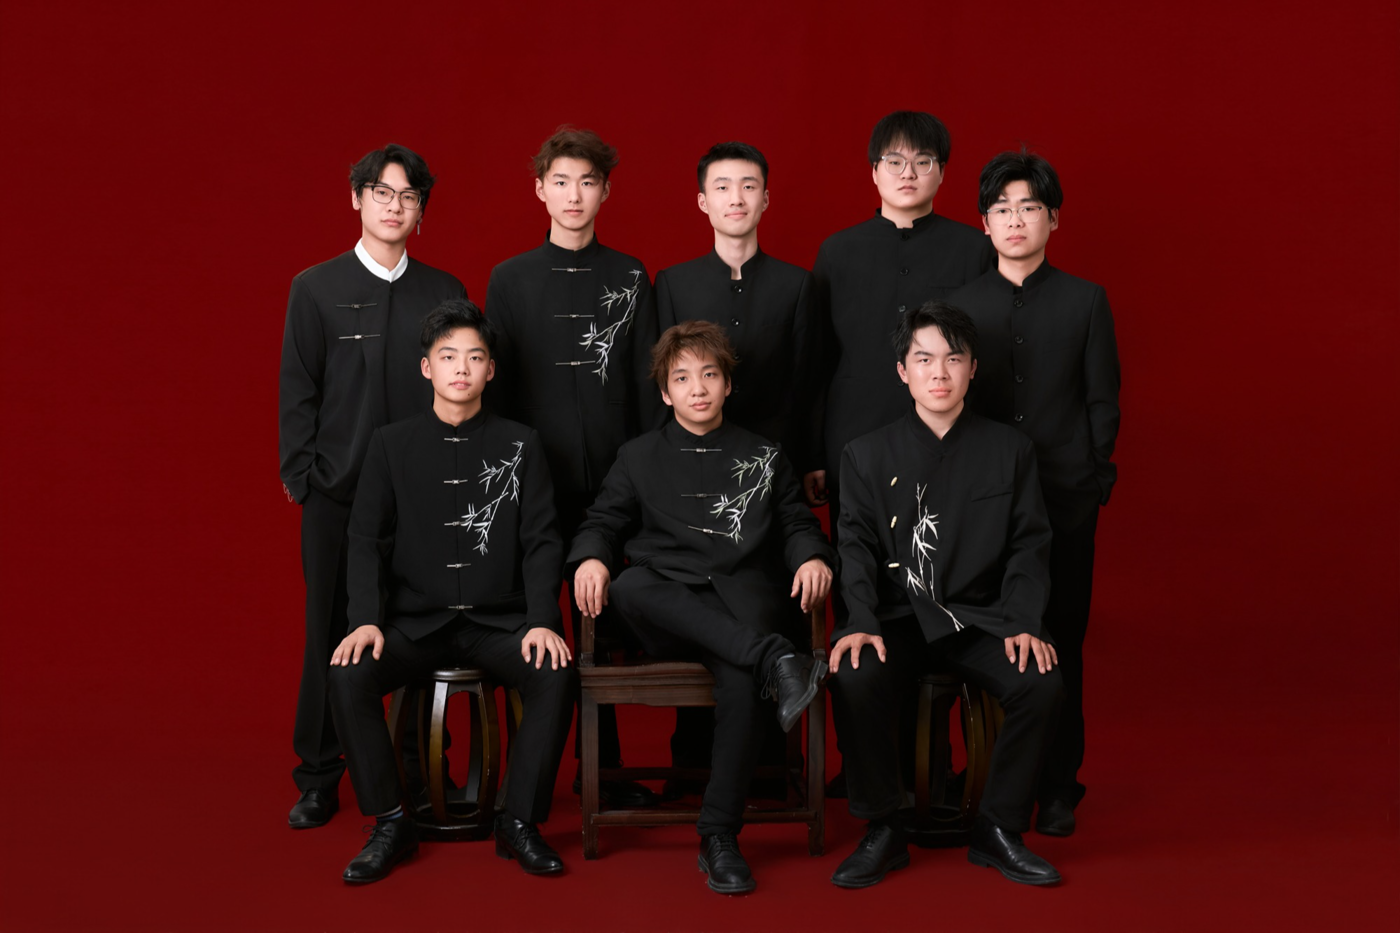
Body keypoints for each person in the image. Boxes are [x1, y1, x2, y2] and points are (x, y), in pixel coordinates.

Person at [568, 320, 834, 894]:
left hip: (738, 606)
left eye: (709, 375)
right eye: (683, 378)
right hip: (666, 608)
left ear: (728, 385)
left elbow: (796, 524)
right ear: (666, 393)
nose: (698, 388)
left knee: (739, 679)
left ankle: (719, 836)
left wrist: (813, 557)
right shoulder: (638, 456)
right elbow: (602, 523)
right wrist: (590, 558)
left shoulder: (764, 454)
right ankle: (774, 657)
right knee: (628, 586)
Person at [327, 300, 575, 884]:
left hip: (498, 623)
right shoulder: (390, 445)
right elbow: (365, 540)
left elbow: (543, 541)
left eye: (474, 357)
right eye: (447, 357)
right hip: (417, 623)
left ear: (491, 370)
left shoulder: (522, 444)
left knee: (556, 671)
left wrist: (543, 618)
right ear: (426, 368)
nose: (461, 368)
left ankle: (520, 822)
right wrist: (365, 619)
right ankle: (391, 822)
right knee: (348, 674)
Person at [827, 301, 1064, 888]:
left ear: (973, 369)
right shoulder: (865, 454)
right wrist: (859, 620)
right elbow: (854, 548)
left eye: (953, 359)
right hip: (899, 616)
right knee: (853, 673)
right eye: (924, 359)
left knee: (1041, 681)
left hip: (980, 618)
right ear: (902, 370)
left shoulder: (1010, 450)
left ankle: (999, 828)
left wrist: (1024, 622)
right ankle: (883, 826)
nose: (939, 373)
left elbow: (1029, 547)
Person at [278, 144, 467, 829]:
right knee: (329, 632)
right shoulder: (315, 287)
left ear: (421, 211)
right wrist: (302, 477)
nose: (394, 206)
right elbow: (299, 388)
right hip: (336, 495)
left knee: (418, 630)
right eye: (382, 193)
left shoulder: (443, 290)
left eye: (409, 196)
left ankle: (420, 768)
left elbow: (461, 387)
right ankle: (319, 775)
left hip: (422, 497)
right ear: (357, 199)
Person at [809, 110, 995, 797]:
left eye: (922, 161)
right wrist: (817, 452)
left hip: (946, 447)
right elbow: (816, 362)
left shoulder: (971, 250)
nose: (908, 173)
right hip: (856, 449)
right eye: (894, 161)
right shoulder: (837, 252)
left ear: (942, 173)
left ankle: (933, 761)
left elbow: (981, 356)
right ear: (874, 172)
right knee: (860, 592)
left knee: (940, 595)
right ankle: (862, 764)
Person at [486, 126, 658, 807]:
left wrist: (641, 482)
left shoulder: (631, 275)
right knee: (537, 625)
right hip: (532, 485)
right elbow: (497, 393)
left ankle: (604, 775)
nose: (574, 195)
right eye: (560, 181)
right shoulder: (510, 279)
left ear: (605, 191)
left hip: (616, 483)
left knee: (605, 625)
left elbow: (648, 387)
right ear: (540, 190)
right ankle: (527, 782)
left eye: (587, 182)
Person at [951, 150, 1121, 836]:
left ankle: (1057, 787)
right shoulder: (962, 306)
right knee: (991, 641)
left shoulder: (1085, 299)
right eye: (1002, 208)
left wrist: (1093, 476)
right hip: (984, 506)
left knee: (1061, 641)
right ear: (984, 223)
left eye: (1029, 207)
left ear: (1052, 219)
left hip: (1065, 499)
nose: (1015, 219)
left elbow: (1102, 400)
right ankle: (990, 776)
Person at [652, 141, 818, 795]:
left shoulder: (796, 284)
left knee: (761, 605)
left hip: (764, 479)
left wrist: (804, 464)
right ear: (703, 201)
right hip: (689, 474)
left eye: (749, 186)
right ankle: (692, 767)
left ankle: (770, 771)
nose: (736, 198)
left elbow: (805, 385)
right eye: (722, 187)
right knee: (696, 608)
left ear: (766, 198)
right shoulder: (674, 283)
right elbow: (662, 382)